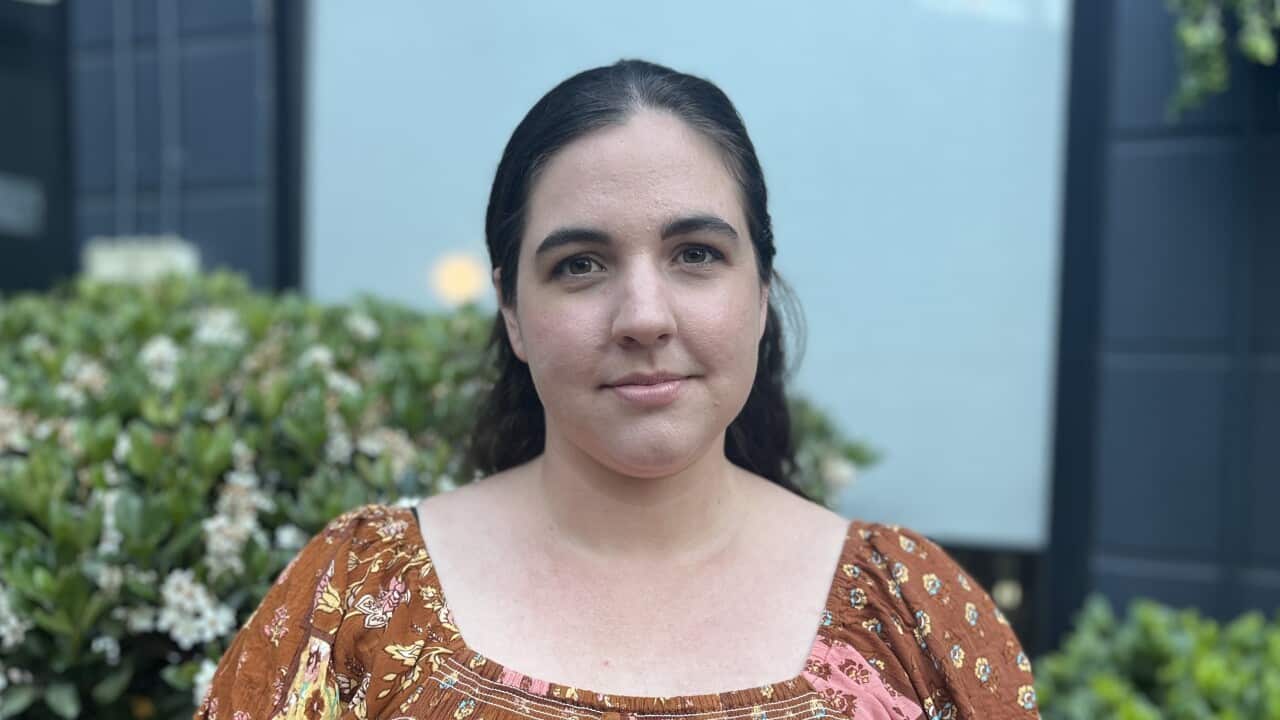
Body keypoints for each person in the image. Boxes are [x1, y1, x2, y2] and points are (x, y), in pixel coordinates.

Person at [196, 59, 1040, 720]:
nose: (643, 316)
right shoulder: (360, 599)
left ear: (760, 294)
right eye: (580, 266)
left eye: (696, 255)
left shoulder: (909, 616)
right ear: (514, 313)